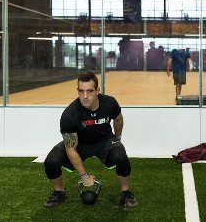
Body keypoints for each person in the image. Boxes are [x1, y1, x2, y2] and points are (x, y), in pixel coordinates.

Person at [43, 72, 138, 208]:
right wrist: (84, 176)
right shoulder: (69, 114)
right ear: (78, 91)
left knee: (121, 157)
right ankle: (59, 192)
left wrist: (117, 139)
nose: (85, 96)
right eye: (81, 91)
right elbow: (70, 148)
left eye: (90, 91)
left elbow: (118, 119)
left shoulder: (110, 103)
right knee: (52, 161)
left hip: (104, 142)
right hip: (79, 144)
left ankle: (125, 192)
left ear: (97, 91)